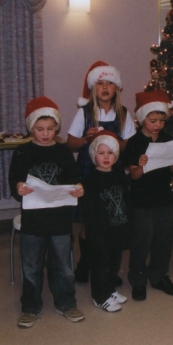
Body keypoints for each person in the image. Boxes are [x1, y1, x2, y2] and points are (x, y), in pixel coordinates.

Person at [8, 96, 85, 328]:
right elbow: (14, 181)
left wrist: (78, 189)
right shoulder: (22, 152)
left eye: (51, 128)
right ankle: (30, 307)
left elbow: (73, 179)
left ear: (57, 128)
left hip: (60, 220)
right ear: (31, 127)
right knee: (31, 266)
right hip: (33, 221)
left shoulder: (62, 152)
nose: (45, 133)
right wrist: (18, 187)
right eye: (40, 129)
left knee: (63, 265)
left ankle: (66, 303)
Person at [66, 61, 136, 284]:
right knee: (89, 222)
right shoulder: (84, 113)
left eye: (110, 83)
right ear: (93, 88)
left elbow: (129, 145)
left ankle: (106, 268)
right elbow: (70, 144)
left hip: (114, 174)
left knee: (110, 220)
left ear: (117, 88)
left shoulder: (123, 113)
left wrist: (110, 138)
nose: (105, 88)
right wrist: (88, 138)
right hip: (89, 173)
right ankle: (85, 263)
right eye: (100, 84)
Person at [124, 90, 173, 301]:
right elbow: (133, 175)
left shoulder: (167, 139)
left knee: (163, 241)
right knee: (141, 242)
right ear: (142, 118)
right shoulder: (134, 142)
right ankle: (138, 279)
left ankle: (159, 276)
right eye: (153, 121)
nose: (158, 125)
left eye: (162, 120)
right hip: (141, 202)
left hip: (163, 199)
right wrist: (141, 166)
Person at [81, 130, 130, 312]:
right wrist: (94, 234)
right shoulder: (91, 180)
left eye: (110, 153)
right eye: (101, 153)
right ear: (94, 155)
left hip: (117, 228)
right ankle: (99, 297)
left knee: (114, 264)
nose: (106, 157)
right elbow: (89, 210)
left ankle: (109, 290)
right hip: (100, 233)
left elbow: (125, 201)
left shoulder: (119, 176)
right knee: (100, 266)